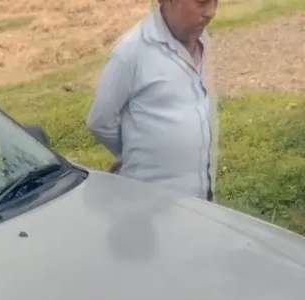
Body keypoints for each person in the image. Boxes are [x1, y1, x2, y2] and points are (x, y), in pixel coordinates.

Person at [87, 0, 219, 200]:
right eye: (202, 2)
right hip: (152, 202)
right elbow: (100, 121)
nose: (211, 12)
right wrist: (134, 152)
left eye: (216, 1)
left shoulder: (202, 40)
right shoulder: (132, 51)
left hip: (200, 198)